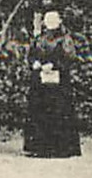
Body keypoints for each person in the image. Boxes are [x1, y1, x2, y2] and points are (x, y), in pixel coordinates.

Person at [24, 10, 81, 158]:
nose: (50, 24)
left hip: (59, 82)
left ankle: (60, 149)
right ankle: (39, 148)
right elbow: (31, 55)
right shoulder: (39, 38)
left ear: (59, 22)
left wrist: (55, 65)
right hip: (41, 81)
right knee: (39, 111)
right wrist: (34, 63)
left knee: (58, 112)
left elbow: (70, 58)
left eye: (53, 21)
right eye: (48, 21)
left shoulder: (65, 39)